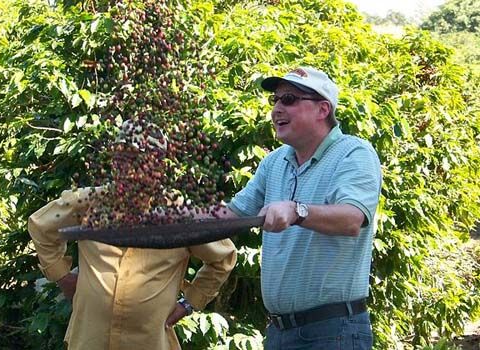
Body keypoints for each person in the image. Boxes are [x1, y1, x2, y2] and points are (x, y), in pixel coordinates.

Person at [28, 120, 237, 350]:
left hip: (149, 342)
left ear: (158, 166)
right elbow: (41, 226)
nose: (127, 167)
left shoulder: (179, 213)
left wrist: (190, 302)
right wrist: (62, 276)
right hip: (90, 340)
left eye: (138, 158)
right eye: (121, 157)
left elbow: (223, 256)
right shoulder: (90, 203)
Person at [212, 66, 382, 349]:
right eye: (275, 100)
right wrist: (172, 215)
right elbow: (231, 215)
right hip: (279, 332)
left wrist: (297, 211)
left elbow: (352, 219)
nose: (277, 108)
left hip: (333, 333)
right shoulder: (275, 162)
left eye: (288, 99)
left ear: (322, 109)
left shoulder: (354, 153)